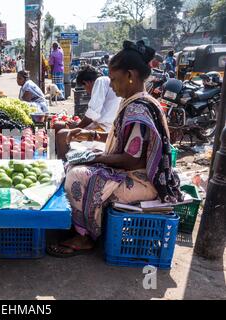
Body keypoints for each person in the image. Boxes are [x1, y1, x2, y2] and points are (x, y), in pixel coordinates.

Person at [47, 40, 182, 258]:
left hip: (144, 182)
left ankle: (85, 237)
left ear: (130, 75)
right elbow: (121, 140)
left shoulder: (138, 107)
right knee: (77, 163)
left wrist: (95, 158)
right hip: (137, 172)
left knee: (77, 174)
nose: (111, 85)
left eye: (114, 79)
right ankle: (83, 225)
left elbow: (132, 160)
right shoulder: (138, 101)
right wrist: (88, 135)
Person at [56, 66, 121, 158]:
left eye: (84, 87)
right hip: (102, 127)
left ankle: (65, 165)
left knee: (62, 135)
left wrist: (77, 127)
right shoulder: (106, 82)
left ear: (87, 83)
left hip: (104, 131)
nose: (86, 91)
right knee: (60, 125)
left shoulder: (100, 81)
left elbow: (93, 114)